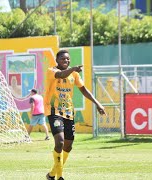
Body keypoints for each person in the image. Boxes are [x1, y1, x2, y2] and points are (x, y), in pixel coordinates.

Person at [44, 49, 106, 180]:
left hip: (69, 112)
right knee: (59, 142)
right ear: (57, 60)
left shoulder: (74, 75)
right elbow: (60, 75)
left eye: (67, 59)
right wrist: (72, 69)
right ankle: (59, 176)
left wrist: (98, 104)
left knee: (68, 145)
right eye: (63, 59)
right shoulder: (52, 71)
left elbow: (84, 90)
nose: (66, 61)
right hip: (54, 111)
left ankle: (51, 174)